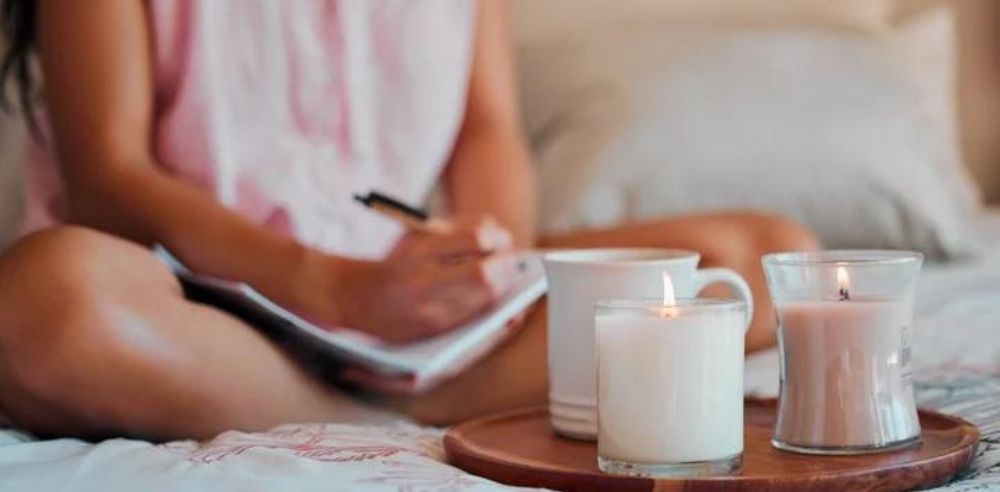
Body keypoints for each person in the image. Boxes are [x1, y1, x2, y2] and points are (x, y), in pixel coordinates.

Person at [0, 0, 818, 440]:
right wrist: (335, 288)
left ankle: (394, 390)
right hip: (198, 304)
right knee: (44, 300)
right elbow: (109, 177)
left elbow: (484, 128)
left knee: (765, 259)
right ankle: (370, 414)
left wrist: (486, 276)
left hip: (404, 301)